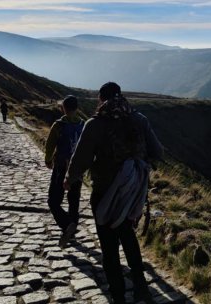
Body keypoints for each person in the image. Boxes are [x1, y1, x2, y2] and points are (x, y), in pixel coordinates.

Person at [65, 82, 163, 304]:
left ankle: (118, 295)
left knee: (109, 246)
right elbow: (158, 151)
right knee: (128, 236)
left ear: (101, 99)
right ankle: (140, 287)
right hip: (133, 192)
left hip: (105, 192)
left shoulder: (95, 124)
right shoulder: (139, 119)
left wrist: (70, 179)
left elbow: (81, 158)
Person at [45, 95, 85, 247]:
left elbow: (50, 146)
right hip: (77, 169)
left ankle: (67, 224)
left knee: (53, 200)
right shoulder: (83, 125)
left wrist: (48, 160)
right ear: (77, 108)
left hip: (61, 167)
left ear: (63, 108)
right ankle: (72, 228)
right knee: (73, 200)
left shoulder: (58, 125)